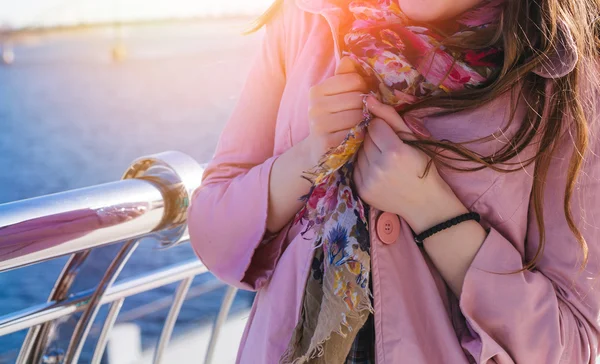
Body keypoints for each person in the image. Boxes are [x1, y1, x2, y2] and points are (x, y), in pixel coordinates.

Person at [188, 0, 600, 362]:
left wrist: (432, 210)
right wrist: (311, 154)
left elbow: (570, 346)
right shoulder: (307, 19)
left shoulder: (567, 75)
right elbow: (213, 234)